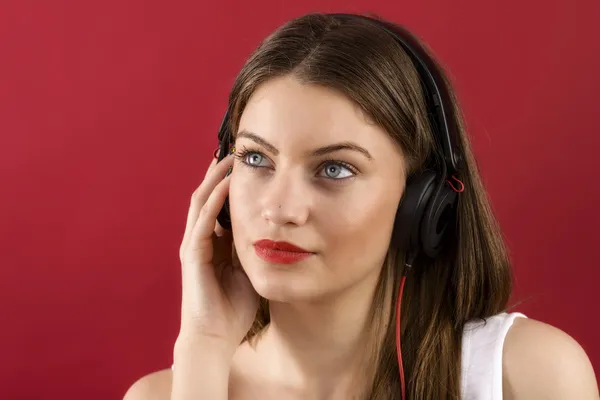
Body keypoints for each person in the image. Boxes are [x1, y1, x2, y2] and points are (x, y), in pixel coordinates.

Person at [124, 12, 599, 400]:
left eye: (334, 169)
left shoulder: (527, 376)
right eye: (255, 158)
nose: (280, 209)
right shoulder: (170, 391)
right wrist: (203, 350)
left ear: (422, 200)